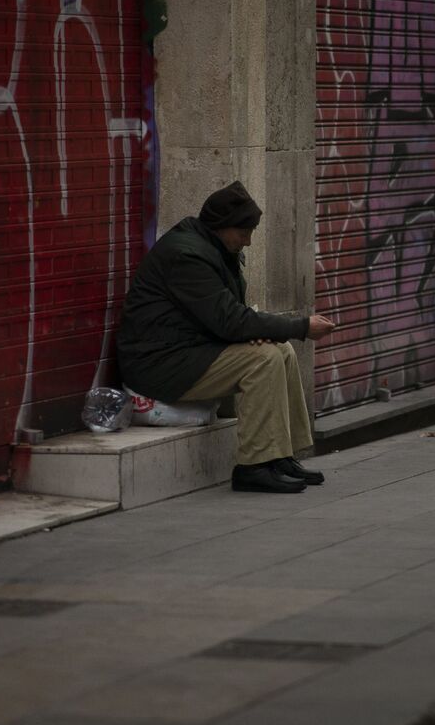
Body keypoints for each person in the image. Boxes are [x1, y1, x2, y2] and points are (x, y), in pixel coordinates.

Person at [116, 181, 337, 493]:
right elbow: (231, 321)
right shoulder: (187, 256)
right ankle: (254, 466)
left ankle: (282, 455)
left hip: (190, 350)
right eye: (243, 233)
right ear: (221, 227)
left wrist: (259, 332)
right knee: (263, 360)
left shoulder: (213, 248)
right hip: (158, 365)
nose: (247, 241)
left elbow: (227, 316)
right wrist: (301, 327)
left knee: (281, 350)